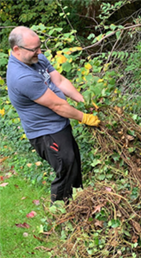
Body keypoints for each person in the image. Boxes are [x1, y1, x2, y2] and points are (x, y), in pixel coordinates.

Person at [6, 26, 100, 205]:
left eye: (39, 47)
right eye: (34, 49)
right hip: (46, 133)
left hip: (58, 125)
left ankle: (79, 207)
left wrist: (83, 101)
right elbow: (57, 105)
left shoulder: (35, 59)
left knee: (73, 165)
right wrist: (84, 117)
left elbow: (60, 81)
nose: (40, 53)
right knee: (66, 169)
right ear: (16, 50)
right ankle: (61, 216)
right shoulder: (21, 77)